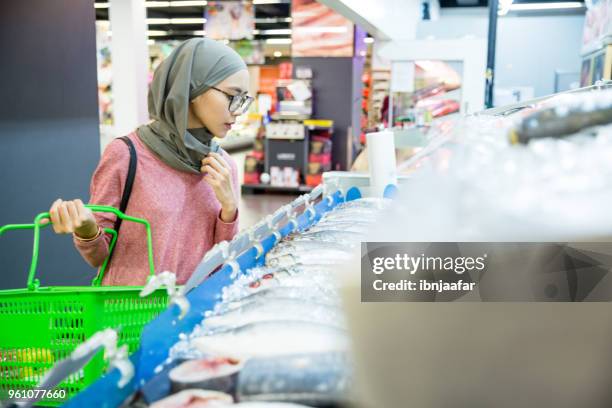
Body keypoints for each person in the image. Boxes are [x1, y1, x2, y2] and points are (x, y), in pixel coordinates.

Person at [44, 38, 252, 286]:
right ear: (192, 88)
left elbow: (221, 263)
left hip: (194, 316)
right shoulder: (127, 154)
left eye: (243, 100)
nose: (238, 110)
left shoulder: (223, 165)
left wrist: (229, 210)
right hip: (130, 317)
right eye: (232, 96)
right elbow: (98, 256)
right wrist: (87, 228)